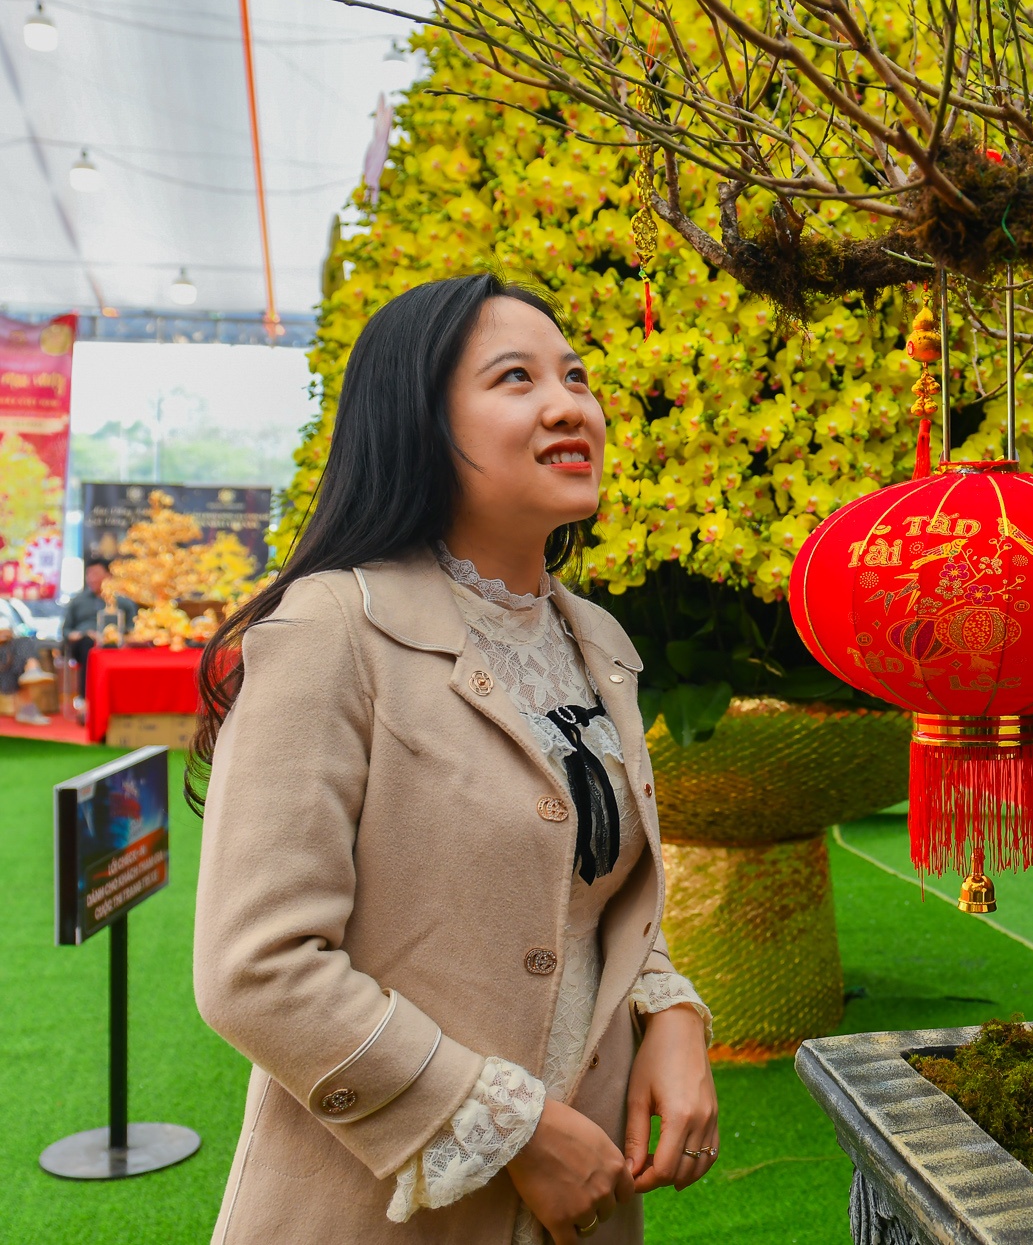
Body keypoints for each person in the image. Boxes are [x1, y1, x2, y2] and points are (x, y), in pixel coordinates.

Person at [189, 275, 717, 1245]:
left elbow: (585, 888)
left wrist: (671, 1010)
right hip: (380, 1211)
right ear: (418, 425)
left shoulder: (598, 642)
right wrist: (512, 1130)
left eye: (576, 376)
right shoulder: (332, 632)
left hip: (586, 1207)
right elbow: (255, 969)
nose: (570, 405)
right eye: (514, 379)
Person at [62, 557, 136, 714]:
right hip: (83, 644)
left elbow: (132, 630)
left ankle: (122, 700)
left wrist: (113, 636)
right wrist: (79, 634)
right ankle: (86, 700)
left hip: (115, 646)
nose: (91, 578)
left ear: (108, 576)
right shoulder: (78, 601)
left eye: (95, 573)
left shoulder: (124, 602)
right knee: (88, 643)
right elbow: (65, 631)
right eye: (88, 574)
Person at [0, 617, 51, 725]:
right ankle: (32, 669)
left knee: (23, 642)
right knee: (18, 664)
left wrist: (7, 635)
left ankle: (31, 668)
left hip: (8, 656)